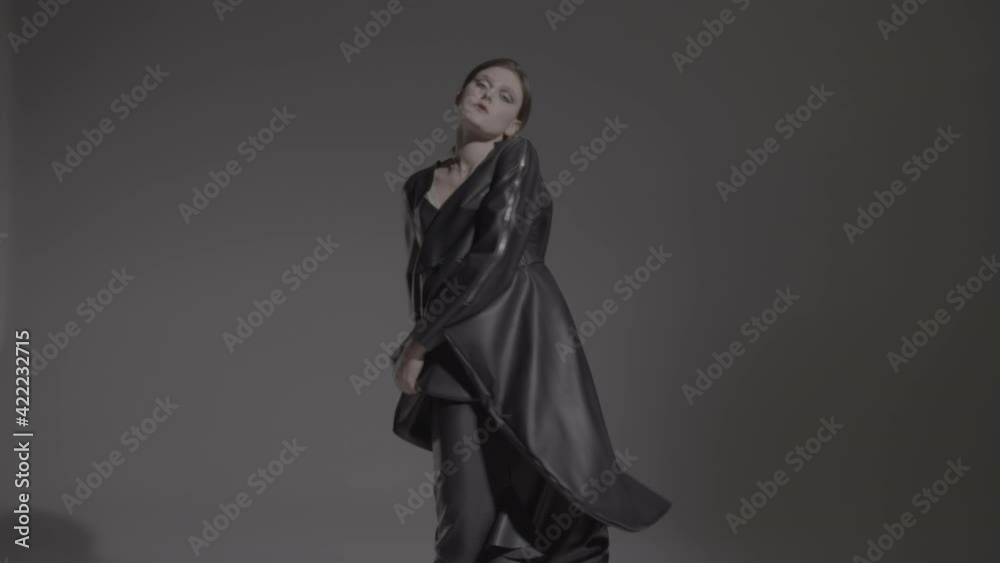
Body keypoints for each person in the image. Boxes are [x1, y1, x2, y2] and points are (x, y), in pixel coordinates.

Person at [391, 57, 671, 563]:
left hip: (521, 336)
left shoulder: (516, 157)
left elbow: (494, 259)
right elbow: (420, 276)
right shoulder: (417, 185)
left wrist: (418, 343)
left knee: (551, 484)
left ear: (514, 124)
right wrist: (424, 342)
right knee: (463, 510)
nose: (488, 95)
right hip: (453, 349)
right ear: (459, 94)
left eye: (505, 96)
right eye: (481, 84)